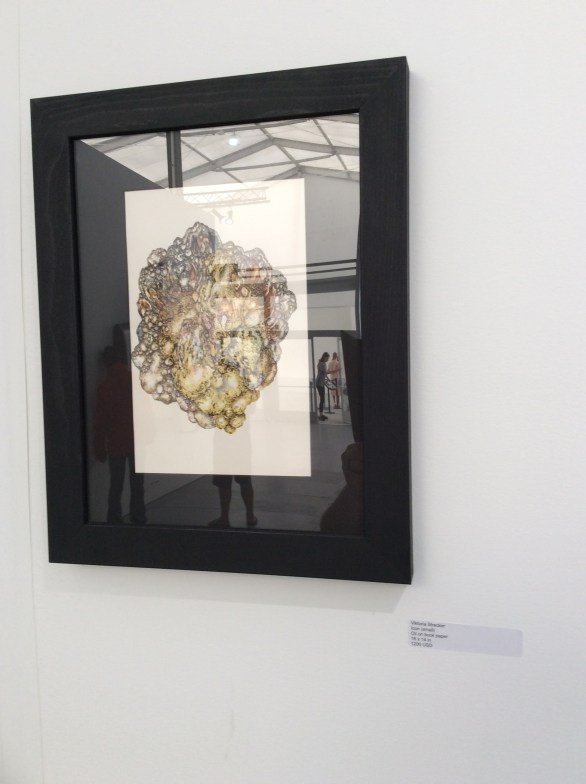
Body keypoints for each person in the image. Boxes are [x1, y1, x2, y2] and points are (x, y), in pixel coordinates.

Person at [94, 345, 146, 525]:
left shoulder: (103, 388)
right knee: (137, 484)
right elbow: (145, 411)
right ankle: (138, 518)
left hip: (115, 442)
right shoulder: (134, 382)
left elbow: (100, 423)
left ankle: (114, 519)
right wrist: (150, 435)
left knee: (116, 485)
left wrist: (100, 449)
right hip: (136, 441)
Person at [315, 352, 330, 421]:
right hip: (319, 383)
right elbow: (325, 372)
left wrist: (328, 378)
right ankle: (320, 415)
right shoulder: (321, 364)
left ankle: (321, 414)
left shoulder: (323, 363)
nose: (328, 359)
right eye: (327, 358)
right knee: (322, 399)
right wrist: (337, 370)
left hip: (321, 383)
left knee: (322, 399)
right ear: (324, 357)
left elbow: (324, 374)